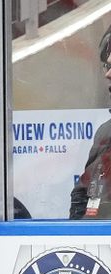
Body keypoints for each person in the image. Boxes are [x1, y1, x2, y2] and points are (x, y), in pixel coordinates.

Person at [69, 24, 111, 220]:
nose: (107, 74)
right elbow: (83, 194)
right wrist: (78, 237)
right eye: (107, 66)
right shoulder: (106, 132)